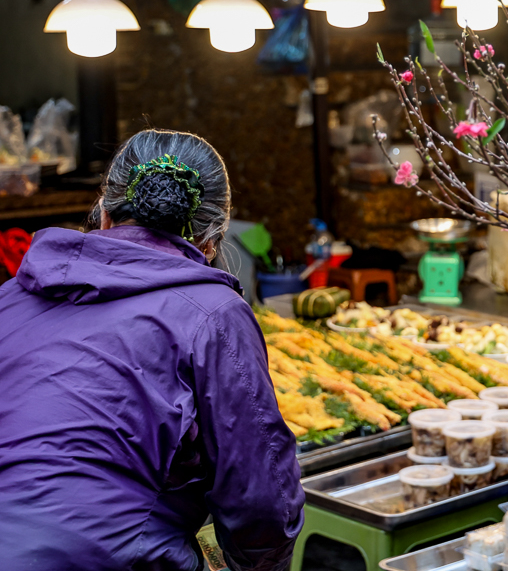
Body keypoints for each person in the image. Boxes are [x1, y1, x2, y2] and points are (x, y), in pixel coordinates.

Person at [0, 129, 304, 571]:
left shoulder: (9, 297)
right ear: (212, 241)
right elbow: (260, 502)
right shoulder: (215, 314)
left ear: (104, 214)